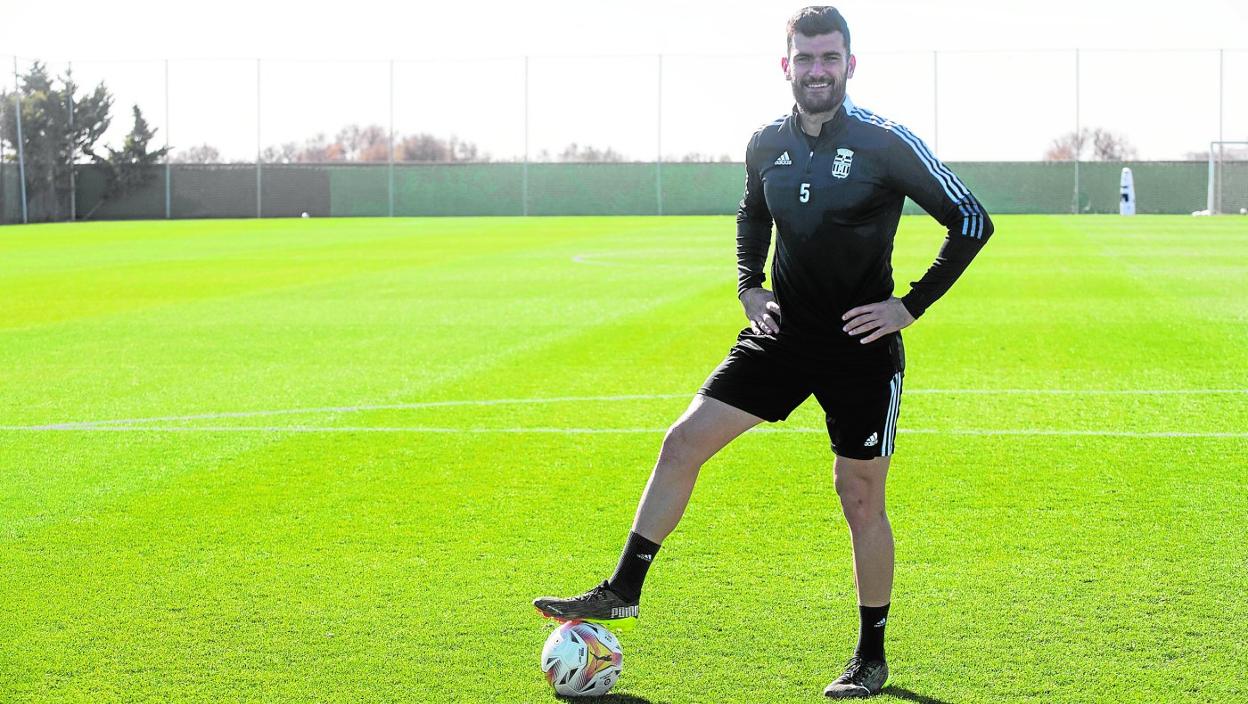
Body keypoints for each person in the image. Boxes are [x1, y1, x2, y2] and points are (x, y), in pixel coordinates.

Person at [534, 6, 994, 698]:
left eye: (829, 58)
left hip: (859, 350)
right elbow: (753, 212)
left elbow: (971, 219)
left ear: (849, 64)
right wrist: (750, 287)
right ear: (786, 65)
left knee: (859, 499)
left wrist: (908, 305)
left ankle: (871, 657)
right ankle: (623, 588)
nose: (817, 70)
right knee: (683, 441)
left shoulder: (886, 142)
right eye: (804, 59)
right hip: (780, 338)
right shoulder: (765, 142)